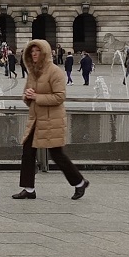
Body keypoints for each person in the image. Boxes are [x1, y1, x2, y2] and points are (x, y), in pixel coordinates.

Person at [13, 38, 89, 200]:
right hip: (36, 120)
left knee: (56, 154)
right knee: (27, 152)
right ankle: (29, 189)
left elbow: (60, 97)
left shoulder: (55, 72)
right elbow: (29, 95)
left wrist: (37, 97)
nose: (34, 54)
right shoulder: (33, 72)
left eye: (37, 51)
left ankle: (79, 182)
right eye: (32, 51)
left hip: (51, 120)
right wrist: (27, 97)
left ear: (45, 53)